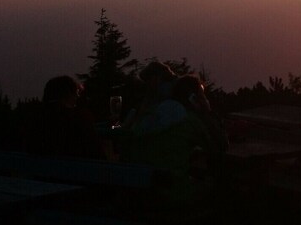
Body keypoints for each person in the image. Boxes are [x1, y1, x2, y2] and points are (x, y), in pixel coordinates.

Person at [126, 75, 224, 203]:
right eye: (202, 95)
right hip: (171, 194)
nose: (205, 98)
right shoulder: (190, 120)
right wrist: (206, 112)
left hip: (139, 193)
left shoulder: (154, 111)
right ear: (193, 99)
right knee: (220, 187)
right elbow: (220, 145)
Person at [26, 75, 105, 159]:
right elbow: (98, 155)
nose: (77, 97)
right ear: (69, 95)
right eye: (76, 93)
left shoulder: (34, 121)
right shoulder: (79, 119)